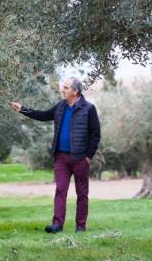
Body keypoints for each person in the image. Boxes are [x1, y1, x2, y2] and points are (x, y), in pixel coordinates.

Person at [10, 77, 101, 233]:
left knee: (82, 193)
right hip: (61, 157)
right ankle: (57, 224)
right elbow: (43, 115)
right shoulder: (60, 106)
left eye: (66, 87)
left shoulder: (89, 109)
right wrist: (22, 109)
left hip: (80, 158)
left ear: (75, 91)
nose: (62, 90)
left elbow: (95, 134)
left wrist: (88, 157)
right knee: (60, 190)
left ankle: (80, 226)